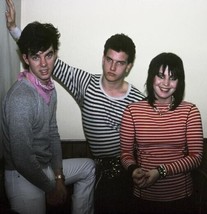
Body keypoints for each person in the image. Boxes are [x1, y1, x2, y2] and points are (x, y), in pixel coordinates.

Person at [5, 0, 144, 213]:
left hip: (127, 168)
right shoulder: (85, 83)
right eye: (109, 60)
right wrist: (15, 29)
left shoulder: (137, 99)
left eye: (120, 62)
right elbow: (44, 57)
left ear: (129, 66)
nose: (112, 67)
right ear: (103, 58)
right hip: (99, 170)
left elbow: (151, 132)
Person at [2, 21, 96, 214]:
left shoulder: (49, 89)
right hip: (22, 175)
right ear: (26, 58)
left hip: (44, 167)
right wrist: (52, 187)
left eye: (49, 55)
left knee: (88, 167)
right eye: (36, 57)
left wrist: (59, 177)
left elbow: (53, 133)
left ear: (55, 54)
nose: (44, 65)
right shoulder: (21, 98)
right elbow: (22, 159)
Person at [120, 52, 204, 214]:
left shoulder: (190, 111)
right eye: (160, 76)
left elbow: (196, 157)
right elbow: (125, 153)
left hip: (181, 198)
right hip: (143, 197)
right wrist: (133, 169)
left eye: (172, 78)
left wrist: (161, 171)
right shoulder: (132, 111)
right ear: (152, 77)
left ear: (179, 82)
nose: (166, 83)